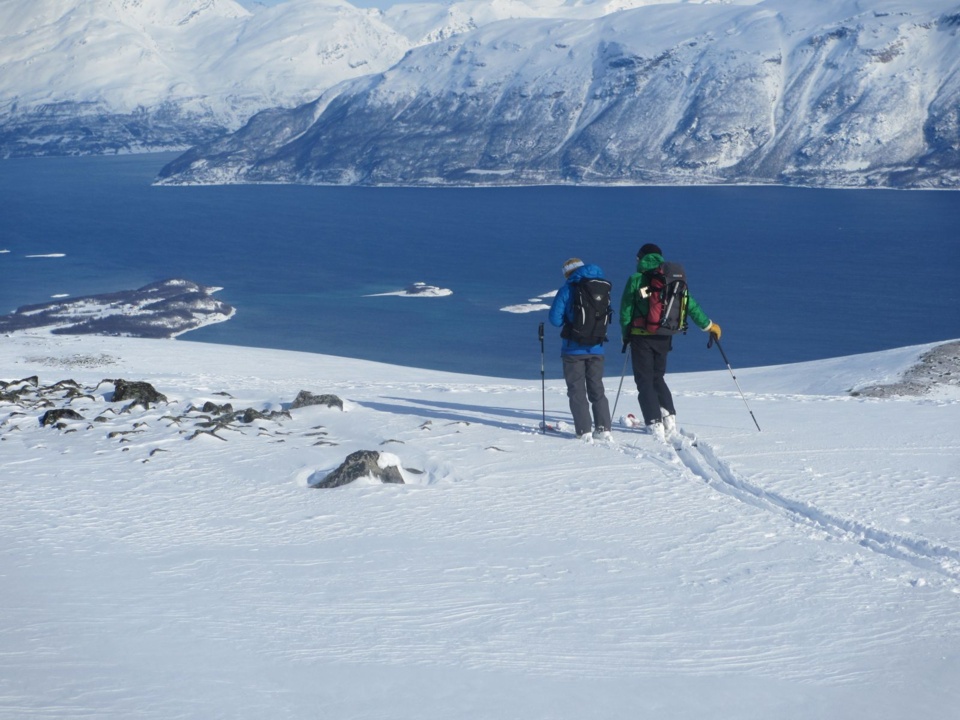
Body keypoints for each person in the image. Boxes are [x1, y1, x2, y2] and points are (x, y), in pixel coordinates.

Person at [619, 243, 721, 440]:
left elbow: (626, 310)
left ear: (640, 259)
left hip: (641, 335)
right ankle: (669, 417)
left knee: (644, 380)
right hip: (665, 335)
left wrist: (626, 334)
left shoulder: (637, 280)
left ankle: (653, 422)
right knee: (658, 377)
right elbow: (691, 305)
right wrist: (709, 326)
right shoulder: (671, 280)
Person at [549, 258, 613, 442]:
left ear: (568, 273)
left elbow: (555, 319)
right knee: (597, 388)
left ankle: (584, 430)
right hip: (597, 347)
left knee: (577, 390)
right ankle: (604, 428)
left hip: (573, 349)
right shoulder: (602, 287)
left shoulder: (568, 289)